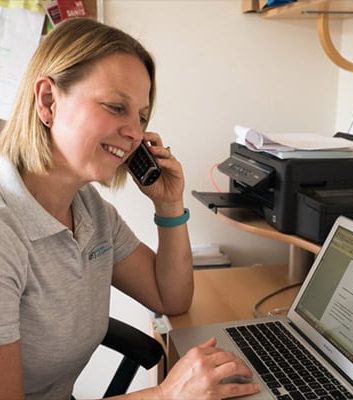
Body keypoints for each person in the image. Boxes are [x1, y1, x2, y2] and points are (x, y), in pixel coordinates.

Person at [0, 18, 260, 400]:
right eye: (115, 107)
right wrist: (167, 395)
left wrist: (169, 204)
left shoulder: (90, 211)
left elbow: (169, 298)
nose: (135, 133)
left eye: (140, 115)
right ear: (48, 101)